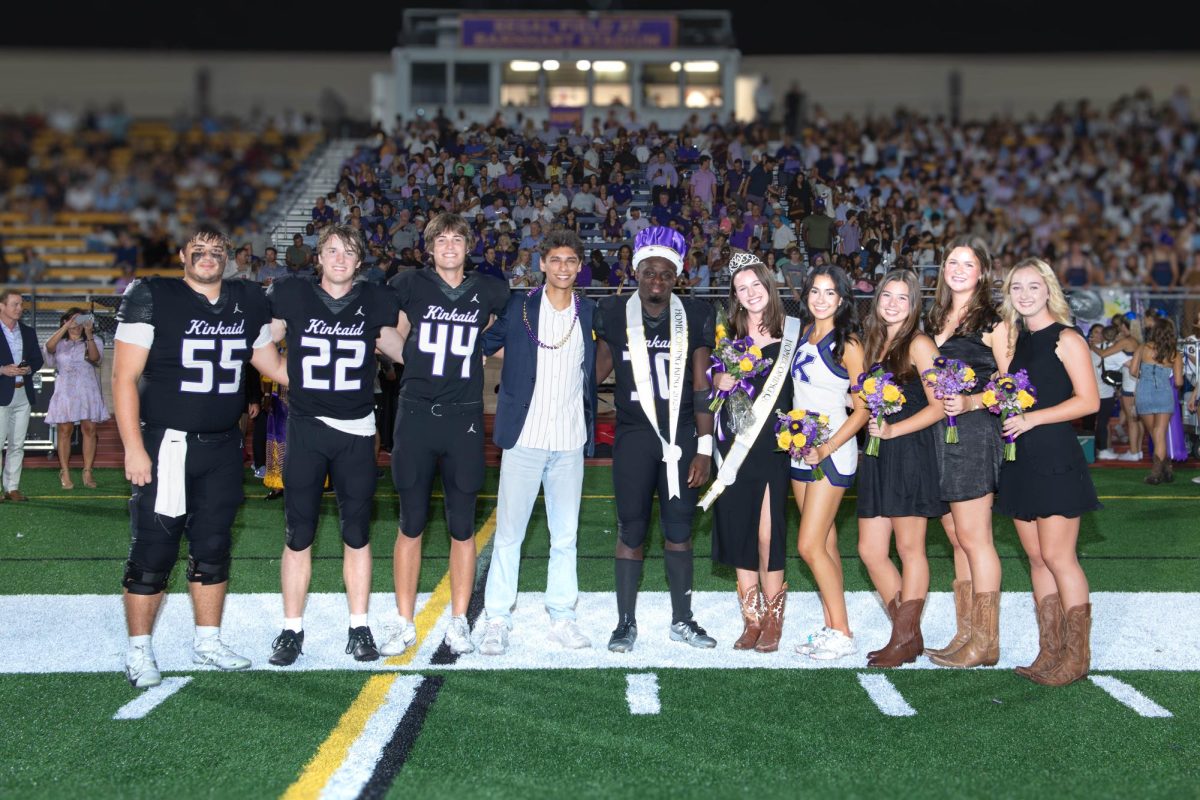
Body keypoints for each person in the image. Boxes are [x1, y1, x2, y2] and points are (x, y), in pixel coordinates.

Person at [111, 224, 286, 689]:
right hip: (168, 443)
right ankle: (139, 650)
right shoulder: (152, 294)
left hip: (224, 444)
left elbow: (272, 366)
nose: (208, 257)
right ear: (183, 255)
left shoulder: (247, 300)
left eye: (216, 250)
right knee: (154, 547)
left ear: (228, 256)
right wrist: (133, 447)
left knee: (213, 545)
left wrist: (333, 362)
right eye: (199, 250)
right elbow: (123, 378)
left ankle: (207, 641)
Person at [265, 223, 407, 667]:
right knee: (298, 533)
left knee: (357, 534)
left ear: (359, 261)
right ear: (319, 258)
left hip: (356, 430)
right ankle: (291, 629)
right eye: (331, 250)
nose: (339, 258)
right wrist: (295, 380)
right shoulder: (293, 294)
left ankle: (359, 624)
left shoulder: (375, 300)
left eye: (348, 252)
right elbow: (259, 344)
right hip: (307, 427)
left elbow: (402, 348)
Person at [383, 213, 510, 657]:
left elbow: (505, 328)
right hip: (417, 413)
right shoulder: (409, 284)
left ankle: (458, 620)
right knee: (410, 523)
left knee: (462, 525)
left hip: (464, 417)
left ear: (467, 246)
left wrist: (479, 351)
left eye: (458, 239)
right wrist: (412, 362)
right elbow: (386, 332)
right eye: (442, 239)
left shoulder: (488, 289)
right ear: (429, 246)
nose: (450, 246)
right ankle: (403, 621)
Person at [594, 226, 717, 653]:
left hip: (681, 434)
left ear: (677, 276)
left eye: (665, 273)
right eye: (649, 272)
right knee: (631, 529)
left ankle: (682, 619)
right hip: (632, 434)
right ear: (637, 272)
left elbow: (702, 386)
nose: (657, 281)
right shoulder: (612, 312)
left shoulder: (696, 314)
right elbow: (595, 371)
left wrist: (704, 446)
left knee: (679, 529)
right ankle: (625, 622)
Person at [476, 230, 598, 655]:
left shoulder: (590, 311)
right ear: (542, 264)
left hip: (568, 440)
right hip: (524, 437)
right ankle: (496, 618)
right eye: (556, 260)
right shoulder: (519, 307)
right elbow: (482, 346)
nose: (563, 267)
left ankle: (562, 618)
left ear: (579, 267)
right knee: (509, 534)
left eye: (571, 260)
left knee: (565, 535)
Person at [995, 258, 1100, 686]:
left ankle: (1076, 658)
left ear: (1049, 289)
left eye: (1032, 286)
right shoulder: (1017, 341)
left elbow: (1089, 402)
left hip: (1054, 454)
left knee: (1059, 557)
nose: (1024, 293)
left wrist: (1034, 418)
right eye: (1016, 287)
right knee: (1037, 558)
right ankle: (1050, 650)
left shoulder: (1067, 339)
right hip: (1020, 457)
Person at [924, 237, 1012, 669]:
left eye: (968, 263)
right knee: (956, 537)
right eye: (952, 262)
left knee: (976, 538)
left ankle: (987, 642)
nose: (958, 269)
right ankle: (966, 634)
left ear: (982, 272)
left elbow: (1016, 385)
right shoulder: (934, 317)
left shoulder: (995, 322)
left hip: (974, 433)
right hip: (936, 436)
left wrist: (975, 402)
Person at [707, 252, 801, 652]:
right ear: (735, 295)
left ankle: (774, 621)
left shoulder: (795, 332)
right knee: (740, 527)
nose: (750, 293)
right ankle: (752, 620)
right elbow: (711, 383)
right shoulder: (728, 334)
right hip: (736, 443)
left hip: (775, 443)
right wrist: (719, 379)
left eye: (756, 285)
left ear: (769, 286)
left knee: (768, 531)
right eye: (741, 289)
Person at [855, 270, 946, 666]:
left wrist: (894, 430)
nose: (892, 303)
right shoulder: (875, 342)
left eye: (902, 298)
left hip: (908, 449)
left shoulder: (920, 343)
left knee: (910, 548)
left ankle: (903, 637)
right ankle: (908, 635)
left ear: (914, 306)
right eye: (886, 295)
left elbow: (941, 405)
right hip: (877, 452)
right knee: (870, 549)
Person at [790, 265, 868, 660]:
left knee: (808, 546)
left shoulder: (848, 343)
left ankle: (843, 632)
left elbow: (862, 410)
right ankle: (832, 625)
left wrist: (826, 447)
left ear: (842, 299)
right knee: (826, 543)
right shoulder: (803, 333)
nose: (821, 299)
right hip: (801, 449)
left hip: (832, 451)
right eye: (815, 291)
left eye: (829, 293)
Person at [43, 308, 109, 489]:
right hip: (65, 391)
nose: (77, 324)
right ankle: (64, 471)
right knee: (64, 431)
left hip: (88, 390)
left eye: (81, 320)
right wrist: (66, 327)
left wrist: (88, 334)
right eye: (74, 320)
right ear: (65, 321)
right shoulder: (59, 342)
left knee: (90, 429)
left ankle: (87, 471)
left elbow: (95, 358)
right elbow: (49, 347)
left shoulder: (94, 340)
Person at [0, 290, 42, 503]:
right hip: (1, 395)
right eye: (15, 304)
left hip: (22, 394)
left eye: (21, 304)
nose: (19, 308)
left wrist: (28, 369)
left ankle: (12, 488)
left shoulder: (28, 331)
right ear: (2, 306)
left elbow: (38, 359)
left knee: (17, 444)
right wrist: (1, 370)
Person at [1131, 317, 1184, 484]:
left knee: (1155, 434)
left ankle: (1160, 471)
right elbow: (1178, 382)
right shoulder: (1175, 353)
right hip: (1164, 393)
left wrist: (1146, 376)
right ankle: (1162, 470)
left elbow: (1133, 371)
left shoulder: (1142, 348)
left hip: (1144, 392)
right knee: (1159, 432)